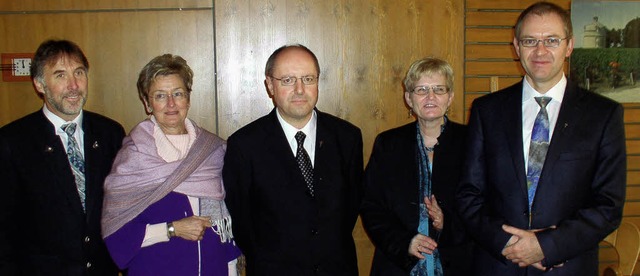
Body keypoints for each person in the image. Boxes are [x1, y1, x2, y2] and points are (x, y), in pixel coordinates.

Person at [456, 2, 627, 275]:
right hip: (498, 265)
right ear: (516, 46)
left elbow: (608, 205)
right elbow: (468, 195)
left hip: (567, 266)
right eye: (530, 40)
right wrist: (509, 243)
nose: (540, 50)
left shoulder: (603, 115)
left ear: (569, 46)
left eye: (551, 40)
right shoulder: (486, 111)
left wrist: (548, 246)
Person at [222, 44, 363, 275]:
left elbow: (351, 208)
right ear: (270, 85)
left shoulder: (347, 137)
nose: (299, 89)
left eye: (308, 79)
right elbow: (242, 221)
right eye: (287, 80)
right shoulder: (245, 145)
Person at [101, 54, 241, 275]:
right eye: (160, 96)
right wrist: (172, 229)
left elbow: (225, 226)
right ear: (147, 103)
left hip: (212, 267)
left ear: (188, 99)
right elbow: (116, 233)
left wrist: (231, 269)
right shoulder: (132, 159)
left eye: (178, 94)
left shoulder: (214, 151)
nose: (171, 104)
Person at [0, 39, 123, 275]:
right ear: (39, 84)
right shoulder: (13, 142)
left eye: (79, 73)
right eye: (60, 75)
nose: (74, 85)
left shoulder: (110, 133)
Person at [361, 57, 473, 276]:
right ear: (409, 98)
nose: (430, 97)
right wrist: (405, 243)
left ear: (450, 97)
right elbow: (371, 206)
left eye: (439, 89)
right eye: (421, 90)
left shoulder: (472, 142)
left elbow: (484, 204)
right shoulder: (388, 144)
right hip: (398, 264)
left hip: (459, 262)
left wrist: (446, 223)